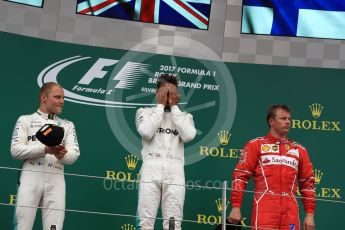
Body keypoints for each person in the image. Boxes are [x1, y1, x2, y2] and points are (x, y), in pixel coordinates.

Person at [229, 105, 315, 230]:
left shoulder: (299, 150)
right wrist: (236, 207)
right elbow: (240, 177)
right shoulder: (255, 145)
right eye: (283, 118)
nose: (288, 122)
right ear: (271, 121)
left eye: (289, 119)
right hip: (264, 210)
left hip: (291, 213)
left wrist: (310, 214)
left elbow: (308, 184)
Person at [11, 82, 80, 230]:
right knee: (22, 226)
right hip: (30, 177)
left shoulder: (67, 125)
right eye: (57, 97)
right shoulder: (25, 120)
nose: (62, 101)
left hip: (56, 180)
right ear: (44, 98)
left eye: (63, 98)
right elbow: (15, 150)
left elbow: (74, 155)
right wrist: (45, 149)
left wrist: (62, 155)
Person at [136, 74, 196, 230]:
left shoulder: (185, 117)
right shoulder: (144, 112)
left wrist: (174, 107)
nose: (168, 96)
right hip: (150, 172)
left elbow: (189, 135)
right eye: (164, 92)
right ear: (157, 93)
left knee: (173, 226)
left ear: (178, 95)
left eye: (172, 92)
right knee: (145, 224)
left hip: (175, 174)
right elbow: (147, 132)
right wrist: (160, 106)